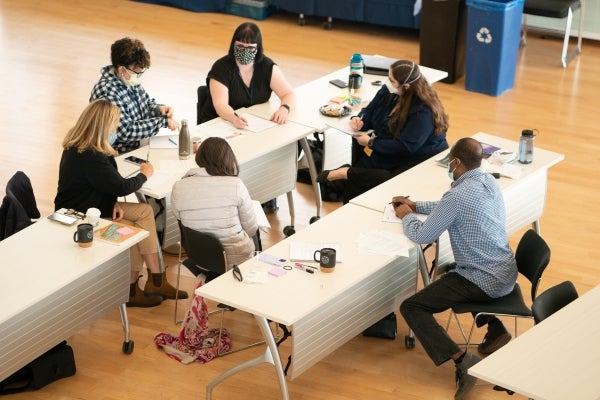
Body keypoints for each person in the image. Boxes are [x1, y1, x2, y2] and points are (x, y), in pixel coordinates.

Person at [393, 138, 517, 400]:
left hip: (482, 279)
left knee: (412, 306)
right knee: (454, 270)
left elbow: (423, 235)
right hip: (505, 271)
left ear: (456, 162)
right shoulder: (489, 182)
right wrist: (417, 205)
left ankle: (463, 360)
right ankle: (494, 328)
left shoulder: (456, 196)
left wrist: (407, 216)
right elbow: (448, 208)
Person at [54, 99, 188, 308]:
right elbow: (122, 186)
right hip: (81, 217)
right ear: (103, 127)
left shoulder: (81, 146)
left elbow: (102, 184)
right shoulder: (91, 156)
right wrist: (145, 173)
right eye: (114, 126)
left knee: (143, 212)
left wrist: (111, 202)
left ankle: (152, 281)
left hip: (93, 205)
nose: (116, 130)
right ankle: (143, 284)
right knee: (135, 228)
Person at [317, 60, 449, 204]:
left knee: (380, 177)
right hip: (391, 147)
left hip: (416, 157)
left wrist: (372, 142)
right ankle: (348, 180)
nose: (387, 82)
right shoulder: (390, 92)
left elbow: (406, 147)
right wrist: (359, 119)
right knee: (361, 175)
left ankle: (345, 173)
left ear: (406, 86)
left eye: (391, 80)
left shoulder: (423, 112)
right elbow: (369, 110)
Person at [198, 22, 297, 213]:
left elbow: (289, 94)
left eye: (250, 48)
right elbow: (220, 105)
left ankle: (265, 193)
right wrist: (234, 118)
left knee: (274, 149)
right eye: (240, 47)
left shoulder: (267, 67)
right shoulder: (221, 68)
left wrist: (284, 108)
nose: (245, 51)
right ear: (233, 44)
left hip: (253, 126)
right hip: (222, 124)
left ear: (258, 48)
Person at [171, 137, 258, 274]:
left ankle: (206, 278)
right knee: (255, 234)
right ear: (228, 158)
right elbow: (251, 229)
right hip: (235, 259)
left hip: (198, 256)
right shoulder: (235, 185)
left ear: (199, 157)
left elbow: (179, 216)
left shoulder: (178, 187)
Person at [90, 37, 179, 154]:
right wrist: (162, 122)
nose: (139, 76)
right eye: (137, 72)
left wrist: (159, 110)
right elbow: (126, 132)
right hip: (119, 154)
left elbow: (146, 105)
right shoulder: (107, 92)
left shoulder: (128, 80)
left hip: (138, 144)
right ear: (122, 69)